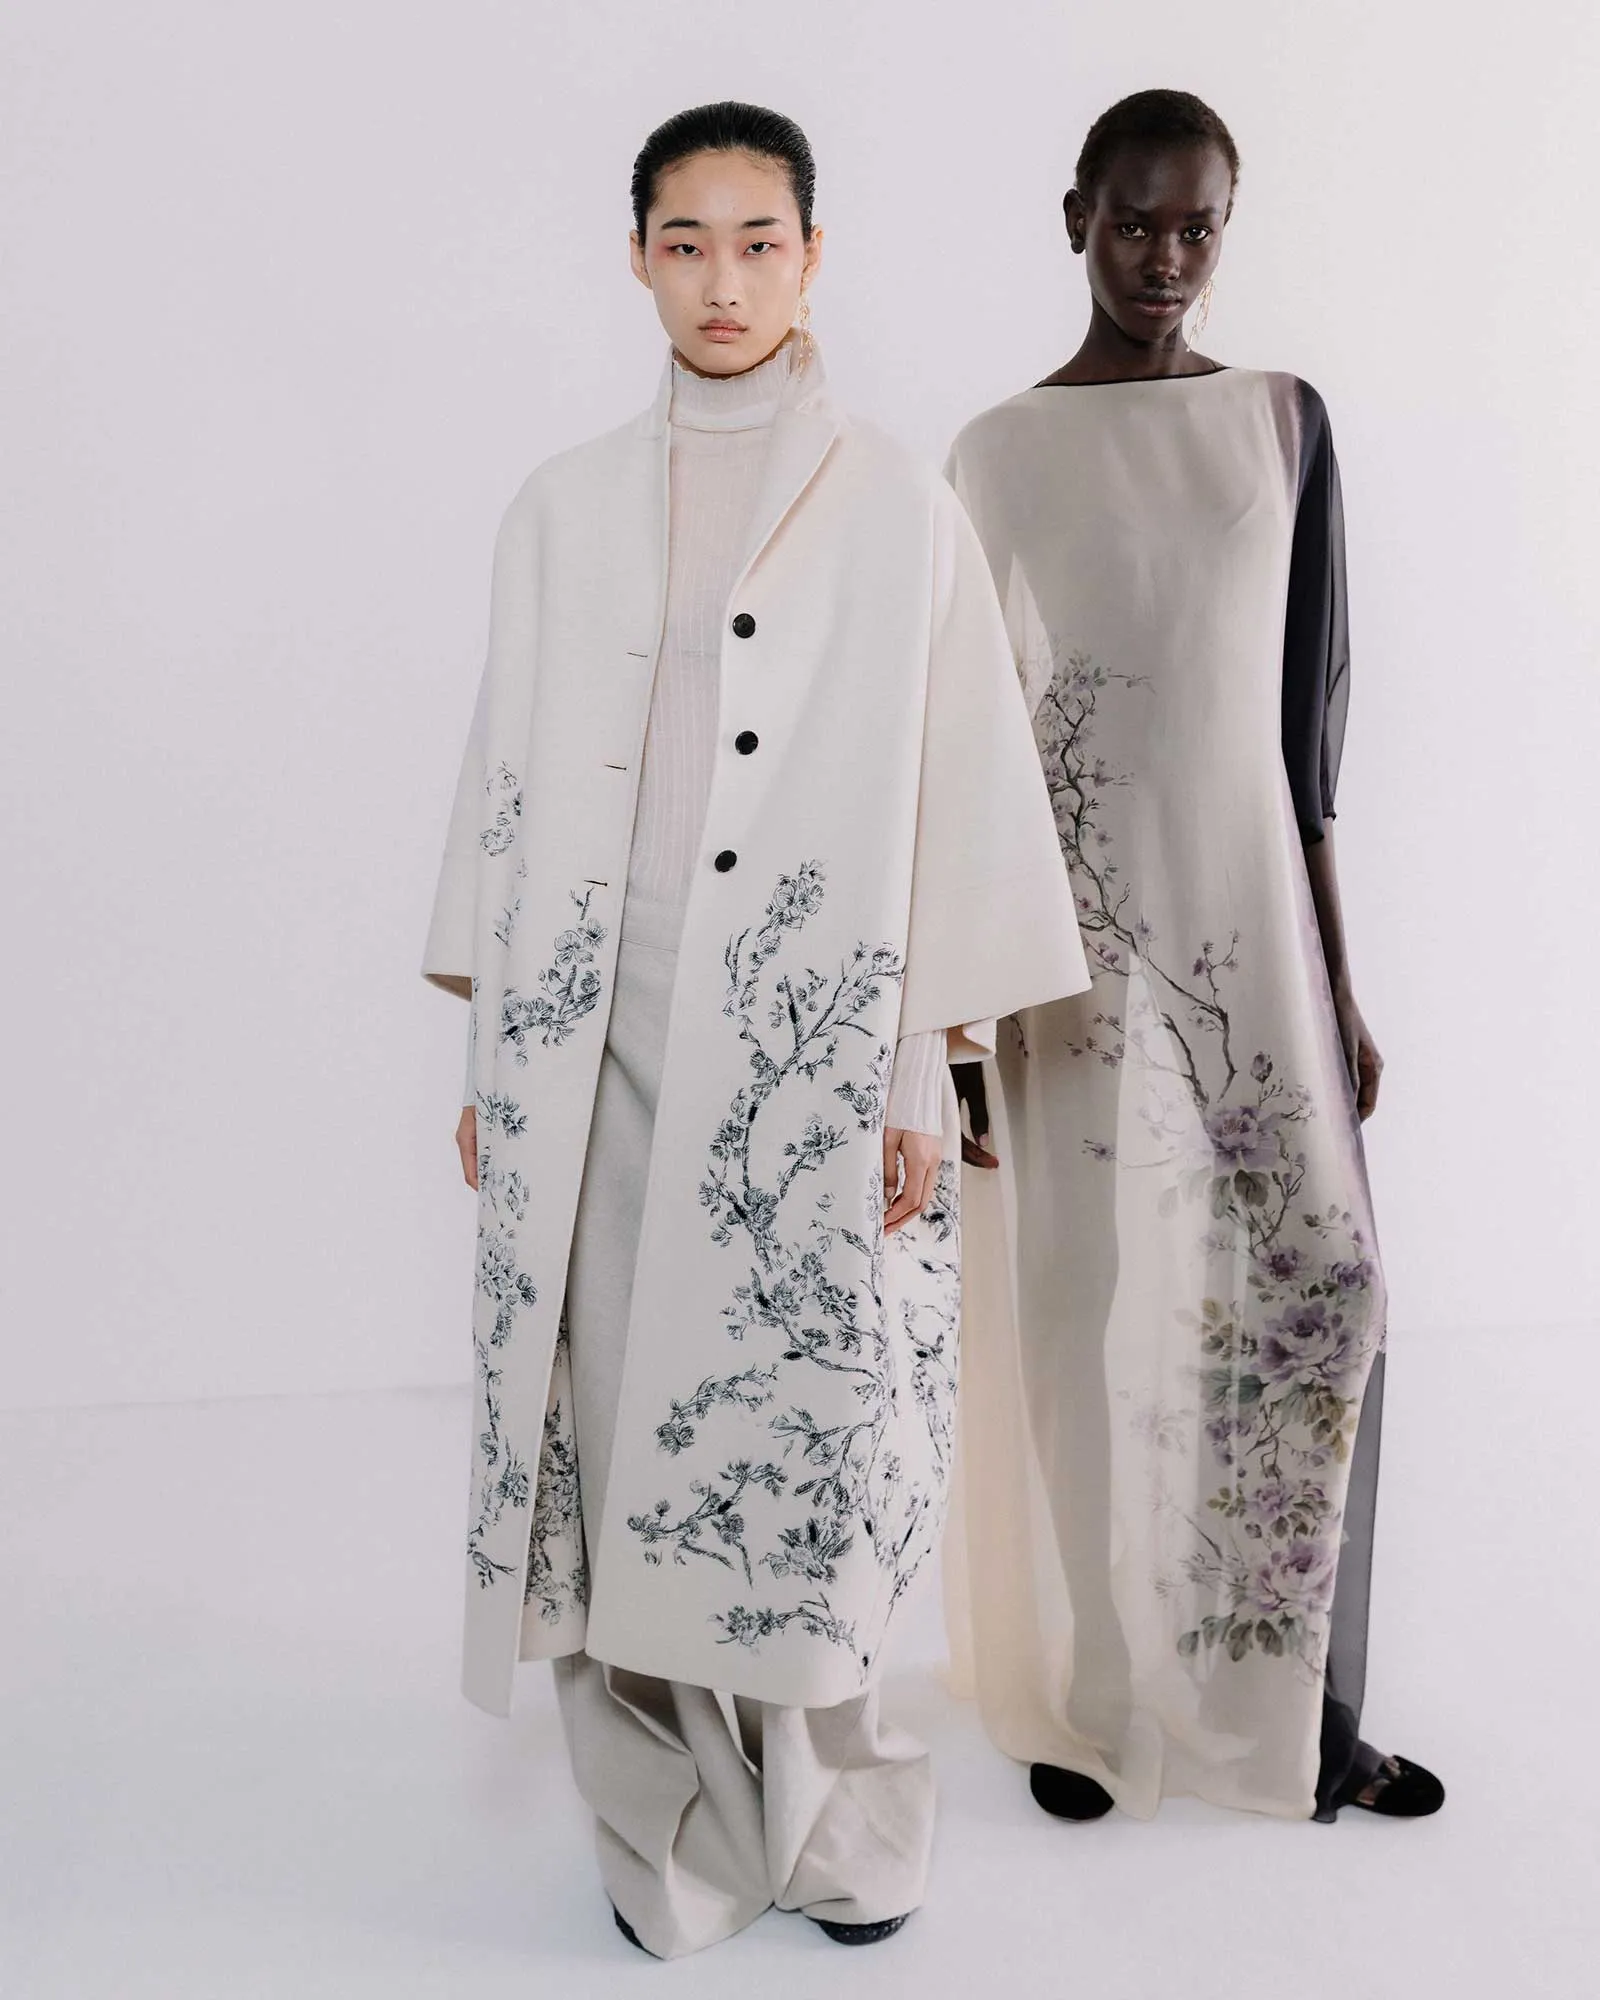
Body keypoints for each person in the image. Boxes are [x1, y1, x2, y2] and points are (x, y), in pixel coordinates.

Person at [421, 101, 1087, 1959]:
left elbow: (958, 794)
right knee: (612, 1416)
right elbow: (504, 788)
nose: (723, 281)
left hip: (807, 1035)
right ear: (637, 256)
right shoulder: (559, 507)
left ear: (813, 255)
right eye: (686, 242)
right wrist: (495, 1065)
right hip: (594, 1032)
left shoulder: (900, 505)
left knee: (810, 1430)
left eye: (759, 241)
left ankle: (840, 1819)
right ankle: (666, 1829)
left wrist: (917, 1063)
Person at [944, 88, 1444, 1826]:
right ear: (1074, 215)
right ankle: (1085, 1700)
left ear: (1228, 228)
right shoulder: (996, 452)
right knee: (1077, 1302)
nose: (1166, 258)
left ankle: (1296, 1714)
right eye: (1135, 221)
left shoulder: (1280, 423)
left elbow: (1307, 740)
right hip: (1066, 944)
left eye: (1197, 227)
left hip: (1250, 927)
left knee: (1325, 1286)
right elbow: (967, 748)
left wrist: (1341, 977)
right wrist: (957, 1021)